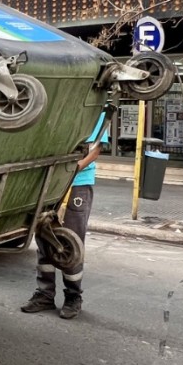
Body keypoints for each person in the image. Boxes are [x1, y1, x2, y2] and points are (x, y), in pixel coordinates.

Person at [21, 109, 110, 319]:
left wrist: (72, 170)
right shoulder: (57, 106)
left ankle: (73, 296)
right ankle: (44, 294)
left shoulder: (96, 110)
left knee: (71, 242)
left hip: (77, 184)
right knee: (45, 237)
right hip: (49, 184)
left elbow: (95, 150)